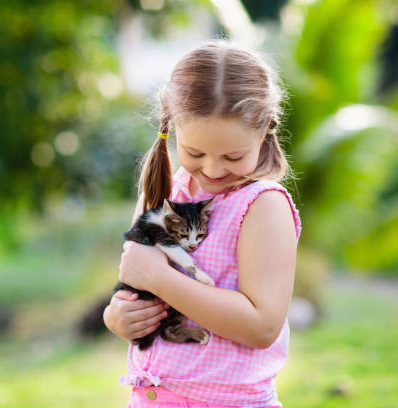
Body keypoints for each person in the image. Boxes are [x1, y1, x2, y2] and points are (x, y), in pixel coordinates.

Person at [103, 40, 302, 408]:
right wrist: (117, 316)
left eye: (233, 155)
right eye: (194, 153)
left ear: (264, 131)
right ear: (171, 126)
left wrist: (160, 279)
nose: (212, 170)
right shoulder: (162, 189)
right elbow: (132, 286)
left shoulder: (262, 205)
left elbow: (262, 327)